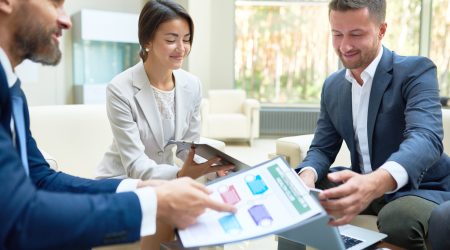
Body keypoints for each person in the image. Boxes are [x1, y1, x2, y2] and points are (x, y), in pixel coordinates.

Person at [0, 0, 235, 249]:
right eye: (55, 3)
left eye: (186, 39)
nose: (66, 20)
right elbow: (19, 217)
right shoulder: (120, 87)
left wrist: (145, 188)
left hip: (151, 178)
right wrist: (153, 200)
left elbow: (41, 178)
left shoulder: (12, 89)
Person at [296, 0, 450, 249]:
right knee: (294, 193)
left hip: (421, 187)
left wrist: (374, 182)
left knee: (399, 218)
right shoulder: (333, 86)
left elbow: (426, 137)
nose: (344, 46)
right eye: (337, 34)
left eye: (356, 34)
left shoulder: (415, 71)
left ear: (381, 30)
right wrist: (307, 177)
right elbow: (322, 148)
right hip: (362, 181)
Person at [96, 0, 232, 182]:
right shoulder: (119, 89)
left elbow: (188, 149)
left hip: (167, 179)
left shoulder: (192, 85)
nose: (181, 48)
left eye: (186, 39)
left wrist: (213, 168)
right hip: (122, 180)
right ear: (147, 41)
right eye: (171, 40)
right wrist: (178, 175)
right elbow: (135, 163)